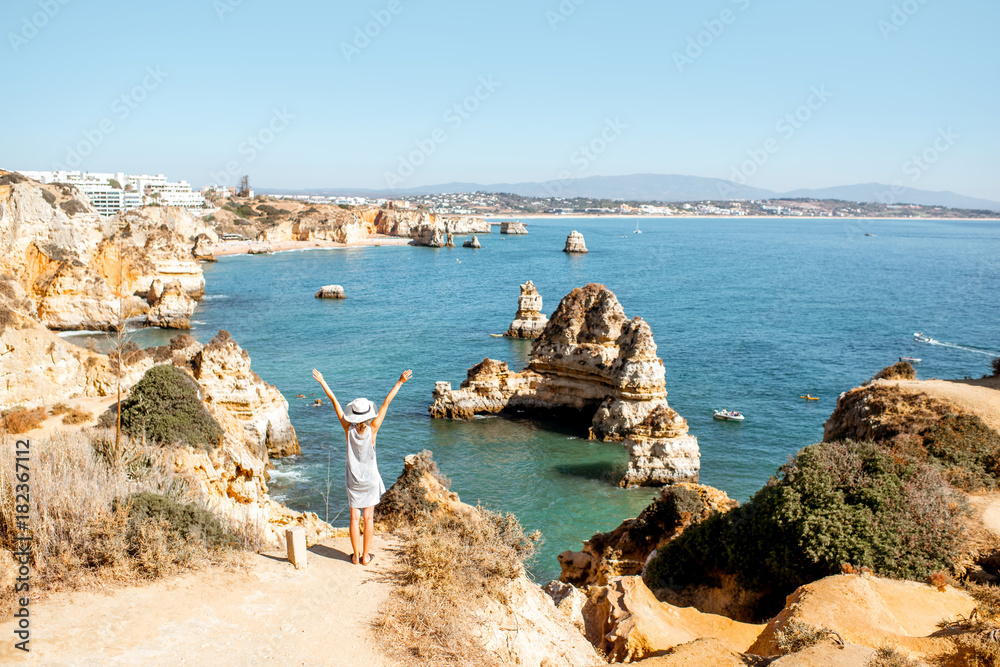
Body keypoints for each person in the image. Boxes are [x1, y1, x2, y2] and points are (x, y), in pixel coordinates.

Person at [312, 368, 412, 565]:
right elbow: (386, 403)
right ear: (367, 415)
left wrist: (323, 381)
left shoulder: (347, 429)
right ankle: (366, 556)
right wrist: (400, 382)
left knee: (354, 519)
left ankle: (355, 556)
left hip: (353, 480)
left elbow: (334, 400)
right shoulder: (373, 430)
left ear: (353, 415)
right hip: (370, 480)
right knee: (369, 519)